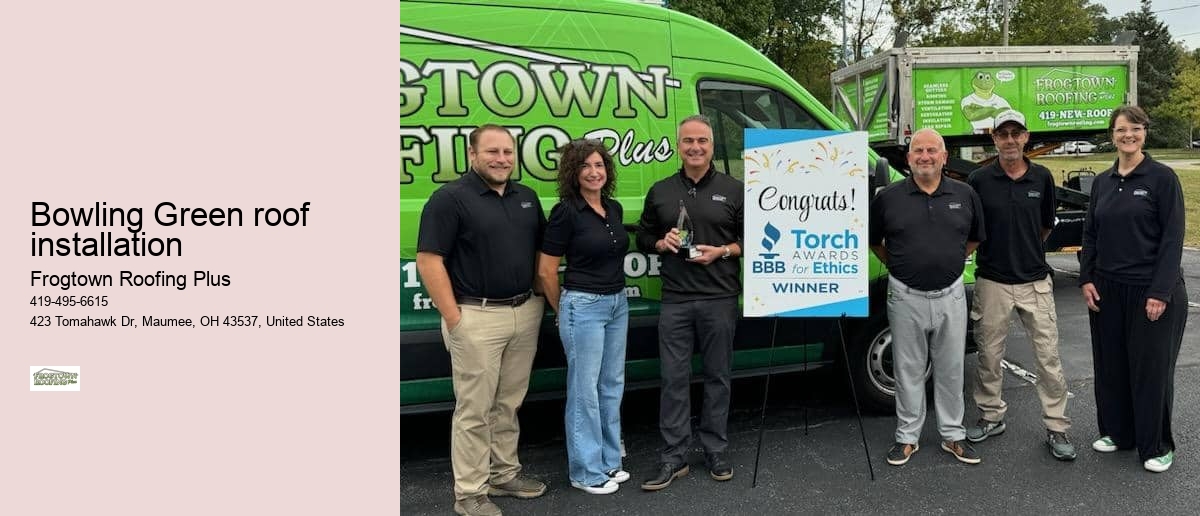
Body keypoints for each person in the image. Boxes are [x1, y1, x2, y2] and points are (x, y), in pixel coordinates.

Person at [416, 124, 548, 516]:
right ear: (472, 155)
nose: (502, 159)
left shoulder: (526, 197)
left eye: (508, 152)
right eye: (492, 151)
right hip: (476, 316)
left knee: (508, 404)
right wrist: (455, 319)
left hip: (524, 312)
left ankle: (503, 474)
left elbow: (542, 254)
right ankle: (470, 493)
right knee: (474, 410)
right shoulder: (450, 199)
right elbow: (429, 260)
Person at [637, 114, 743, 491]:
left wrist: (724, 252)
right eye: (688, 141)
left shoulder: (735, 189)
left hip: (719, 297)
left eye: (702, 141)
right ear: (678, 145)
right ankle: (674, 456)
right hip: (676, 300)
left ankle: (715, 449)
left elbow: (752, 240)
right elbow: (644, 236)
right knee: (673, 380)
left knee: (718, 377)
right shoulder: (661, 190)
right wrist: (659, 243)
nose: (695, 147)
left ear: (712, 145)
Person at [1080, 105, 1187, 473]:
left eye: (1136, 128)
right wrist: (1087, 278)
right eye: (1122, 129)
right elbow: (1090, 234)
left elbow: (1173, 239)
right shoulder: (1104, 182)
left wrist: (1160, 292)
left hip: (1151, 290)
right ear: (1112, 134)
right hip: (1108, 288)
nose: (1129, 135)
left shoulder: (1161, 178)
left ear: (1145, 133)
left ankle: (1156, 445)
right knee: (1111, 365)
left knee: (1150, 371)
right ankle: (1117, 432)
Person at [869, 128, 985, 466]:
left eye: (932, 150)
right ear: (907, 159)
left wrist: (948, 261)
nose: (925, 156)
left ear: (944, 156)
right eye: (918, 150)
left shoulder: (964, 194)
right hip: (905, 296)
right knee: (908, 369)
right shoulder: (888, 197)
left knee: (951, 368)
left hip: (950, 294)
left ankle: (953, 435)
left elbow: (976, 237)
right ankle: (907, 437)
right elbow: (875, 241)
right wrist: (900, 266)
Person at [965, 110, 1076, 460]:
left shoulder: (1041, 177)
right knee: (988, 355)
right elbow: (973, 228)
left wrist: (1026, 252)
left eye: (1016, 133)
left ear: (1027, 137)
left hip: (1035, 281)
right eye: (1003, 134)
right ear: (993, 138)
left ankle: (1057, 427)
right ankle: (991, 415)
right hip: (992, 281)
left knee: (1048, 358)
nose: (1010, 140)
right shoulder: (980, 179)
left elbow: (1045, 227)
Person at [536, 139, 631, 495]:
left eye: (600, 165)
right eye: (586, 166)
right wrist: (564, 311)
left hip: (617, 304)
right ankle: (585, 470)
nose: (594, 172)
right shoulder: (566, 212)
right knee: (584, 391)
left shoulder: (614, 208)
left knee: (611, 386)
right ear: (573, 173)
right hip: (583, 306)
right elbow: (546, 271)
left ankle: (609, 461)